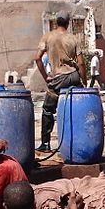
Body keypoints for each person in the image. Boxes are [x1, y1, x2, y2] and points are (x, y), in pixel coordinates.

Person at [35, 11, 86, 152]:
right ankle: (79, 141)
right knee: (77, 107)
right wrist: (84, 82)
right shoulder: (73, 38)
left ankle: (45, 144)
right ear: (68, 23)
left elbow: (37, 58)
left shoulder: (48, 37)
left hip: (58, 78)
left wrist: (46, 77)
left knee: (47, 110)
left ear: (56, 22)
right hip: (73, 76)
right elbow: (81, 63)